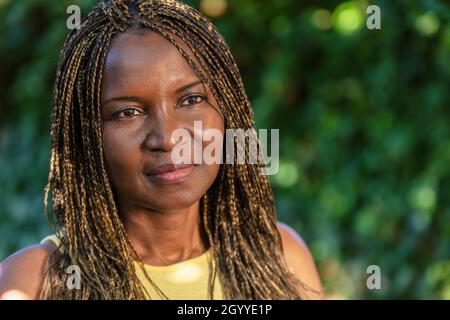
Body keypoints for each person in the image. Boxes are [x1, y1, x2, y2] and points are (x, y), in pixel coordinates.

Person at [0, 0, 323, 300]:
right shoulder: (34, 282)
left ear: (228, 112)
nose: (168, 138)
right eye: (127, 112)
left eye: (191, 100)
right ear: (87, 137)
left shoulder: (279, 255)